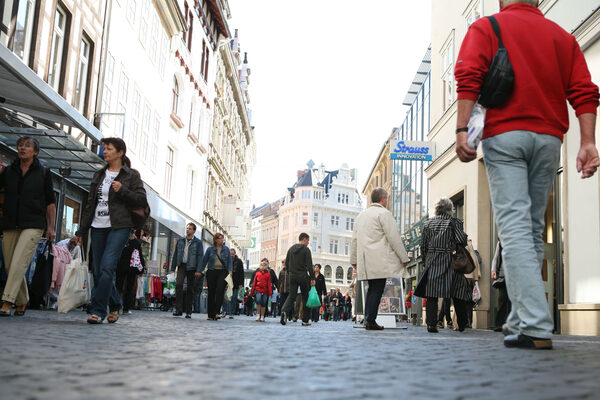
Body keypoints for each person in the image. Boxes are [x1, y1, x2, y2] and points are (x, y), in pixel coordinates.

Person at [454, 0, 599, 349]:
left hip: (505, 134)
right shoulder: (562, 37)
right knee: (531, 230)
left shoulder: (487, 28)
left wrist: (462, 128)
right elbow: (584, 91)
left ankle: (535, 325)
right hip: (549, 139)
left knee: (515, 228)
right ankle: (519, 317)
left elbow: (469, 75)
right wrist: (588, 142)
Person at [76, 137, 147, 324]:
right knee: (99, 271)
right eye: (104, 148)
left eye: (108, 149)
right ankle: (115, 304)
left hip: (119, 226)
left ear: (120, 152)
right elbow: (90, 204)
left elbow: (141, 200)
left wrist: (122, 190)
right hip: (97, 226)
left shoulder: (131, 175)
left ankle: (98, 310)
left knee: (107, 267)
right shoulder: (99, 175)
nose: (104, 151)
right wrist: (81, 231)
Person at [0, 137, 56, 317]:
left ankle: (7, 301)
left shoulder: (44, 173)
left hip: (33, 224)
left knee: (18, 262)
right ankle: (22, 301)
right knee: (10, 266)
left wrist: (51, 227)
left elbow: (50, 203)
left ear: (35, 152)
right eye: (20, 145)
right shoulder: (8, 171)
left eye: (27, 146)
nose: (22, 148)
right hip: (10, 223)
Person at [350, 187, 409, 330]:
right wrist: (404, 257)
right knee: (376, 289)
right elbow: (393, 238)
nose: (387, 202)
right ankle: (370, 320)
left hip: (365, 259)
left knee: (371, 289)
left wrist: (354, 261)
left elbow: (354, 240)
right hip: (379, 259)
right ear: (383, 199)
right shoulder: (384, 214)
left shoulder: (361, 216)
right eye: (387, 199)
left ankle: (369, 319)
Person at [414, 198, 471, 333]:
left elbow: (423, 245)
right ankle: (462, 324)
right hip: (450, 261)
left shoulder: (428, 224)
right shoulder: (454, 222)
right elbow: (462, 240)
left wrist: (426, 260)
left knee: (432, 294)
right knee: (457, 292)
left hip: (432, 260)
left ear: (437, 209)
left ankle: (431, 324)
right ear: (450, 209)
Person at [280, 233, 315, 326]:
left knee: (291, 296)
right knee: (305, 297)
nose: (308, 243)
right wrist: (312, 278)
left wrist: (290, 272)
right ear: (304, 239)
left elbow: (286, 263)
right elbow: (309, 265)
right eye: (308, 240)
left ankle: (284, 311)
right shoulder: (306, 250)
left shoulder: (291, 249)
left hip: (292, 276)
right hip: (303, 276)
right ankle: (305, 320)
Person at [170, 223, 203, 318]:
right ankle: (178, 309)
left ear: (194, 231)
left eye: (190, 229)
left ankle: (189, 311)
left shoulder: (198, 242)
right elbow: (175, 254)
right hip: (181, 266)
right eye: (187, 228)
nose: (187, 230)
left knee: (190, 289)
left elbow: (200, 257)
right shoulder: (180, 240)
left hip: (192, 267)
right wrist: (172, 268)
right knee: (179, 285)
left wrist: (199, 270)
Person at [198, 233, 232, 320]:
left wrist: (230, 272)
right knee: (211, 292)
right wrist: (200, 270)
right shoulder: (210, 249)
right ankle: (210, 314)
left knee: (220, 291)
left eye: (222, 239)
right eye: (220, 239)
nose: (222, 240)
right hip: (211, 271)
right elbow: (204, 260)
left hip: (223, 272)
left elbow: (229, 261)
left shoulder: (226, 249)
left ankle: (216, 312)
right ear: (216, 240)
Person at [116, 230, 146, 314]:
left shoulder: (122, 240)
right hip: (130, 268)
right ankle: (125, 308)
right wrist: (142, 268)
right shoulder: (136, 242)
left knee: (120, 287)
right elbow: (140, 256)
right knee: (128, 288)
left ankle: (117, 307)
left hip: (122, 267)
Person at [491, 241, 511, 331]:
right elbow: (495, 257)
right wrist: (493, 270)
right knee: (502, 300)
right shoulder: (500, 242)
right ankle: (499, 324)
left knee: (512, 301)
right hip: (503, 275)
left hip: (515, 275)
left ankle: (510, 324)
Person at [229, 248, 244, 318]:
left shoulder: (239, 261)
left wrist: (241, 283)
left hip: (236, 282)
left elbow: (241, 273)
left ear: (235, 254)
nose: (231, 255)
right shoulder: (226, 260)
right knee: (227, 297)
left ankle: (232, 312)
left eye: (232, 254)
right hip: (227, 282)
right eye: (230, 254)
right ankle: (225, 311)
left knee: (234, 298)